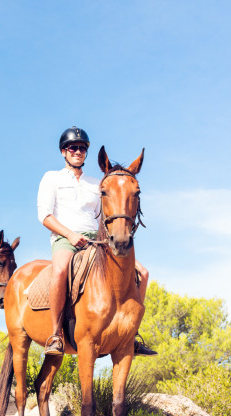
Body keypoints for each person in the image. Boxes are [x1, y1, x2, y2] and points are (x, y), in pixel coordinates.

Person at [36, 126, 156, 356]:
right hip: (65, 238)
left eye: (82, 148)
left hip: (97, 241)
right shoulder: (52, 178)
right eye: (73, 147)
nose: (78, 151)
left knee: (143, 273)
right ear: (64, 151)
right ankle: (55, 335)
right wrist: (70, 234)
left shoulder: (96, 183)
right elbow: (45, 216)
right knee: (60, 271)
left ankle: (131, 335)